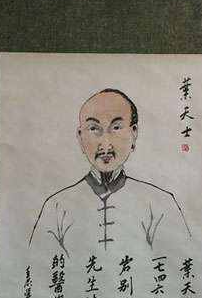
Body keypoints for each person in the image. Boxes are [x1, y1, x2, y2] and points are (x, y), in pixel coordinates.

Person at [29, 88, 191, 258]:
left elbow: (179, 264)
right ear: (80, 137)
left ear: (134, 133)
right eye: (93, 128)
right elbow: (38, 265)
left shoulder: (160, 203)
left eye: (116, 128)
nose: (105, 144)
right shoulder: (56, 207)